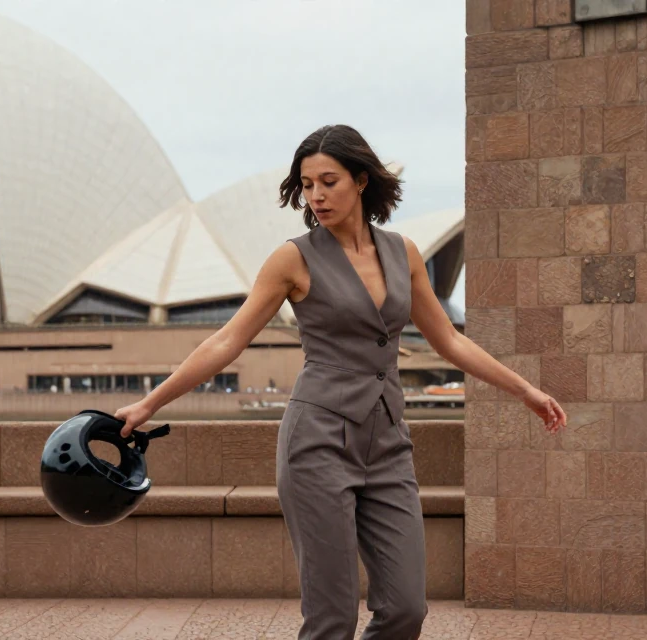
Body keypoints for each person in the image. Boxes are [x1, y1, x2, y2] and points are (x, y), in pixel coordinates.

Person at [115, 124, 567, 639]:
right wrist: (149, 404)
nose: (317, 196)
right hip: (317, 444)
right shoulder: (293, 258)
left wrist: (525, 390)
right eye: (307, 185)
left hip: (389, 444)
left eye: (329, 182)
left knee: (406, 608)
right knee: (332, 617)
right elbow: (227, 341)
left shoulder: (403, 253)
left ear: (361, 180)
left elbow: (449, 340)